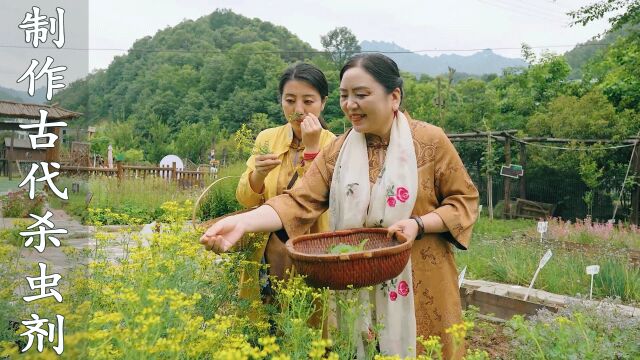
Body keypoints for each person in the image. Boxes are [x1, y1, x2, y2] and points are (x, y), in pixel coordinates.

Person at [202, 53, 478, 359]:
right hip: (356, 285)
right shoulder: (339, 149)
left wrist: (420, 224)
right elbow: (298, 200)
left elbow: (464, 202)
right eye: (345, 96)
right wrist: (245, 223)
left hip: (421, 279)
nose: (350, 104)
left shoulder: (429, 142)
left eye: (361, 95)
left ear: (394, 96)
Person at [235, 62, 336, 302]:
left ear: (324, 102)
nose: (298, 110)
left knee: (305, 320)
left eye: (308, 101)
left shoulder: (332, 144)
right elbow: (245, 198)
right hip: (267, 251)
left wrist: (311, 150)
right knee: (262, 318)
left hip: (310, 250)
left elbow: (313, 199)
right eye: (290, 100)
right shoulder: (268, 138)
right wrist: (258, 174)